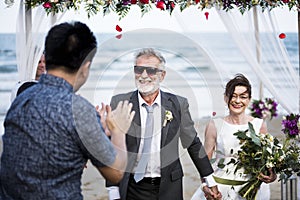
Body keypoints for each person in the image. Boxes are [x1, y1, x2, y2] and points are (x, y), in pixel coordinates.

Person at [0, 21, 135, 199]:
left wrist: (93, 131)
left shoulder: (21, 99)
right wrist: (118, 131)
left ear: (47, 59)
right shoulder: (79, 110)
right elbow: (115, 173)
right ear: (85, 66)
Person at [106, 48, 222, 200]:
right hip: (132, 187)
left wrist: (208, 177)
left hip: (169, 186)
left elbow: (192, 143)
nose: (144, 75)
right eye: (139, 69)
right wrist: (113, 189)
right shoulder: (120, 103)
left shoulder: (178, 104)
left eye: (151, 71)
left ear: (162, 75)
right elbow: (111, 147)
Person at [191, 74, 277, 200]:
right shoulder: (215, 125)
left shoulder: (259, 125)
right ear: (226, 98)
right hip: (221, 188)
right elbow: (205, 162)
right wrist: (205, 184)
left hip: (251, 189)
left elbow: (267, 160)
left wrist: (272, 175)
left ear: (249, 100)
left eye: (243, 97)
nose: (237, 101)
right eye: (233, 96)